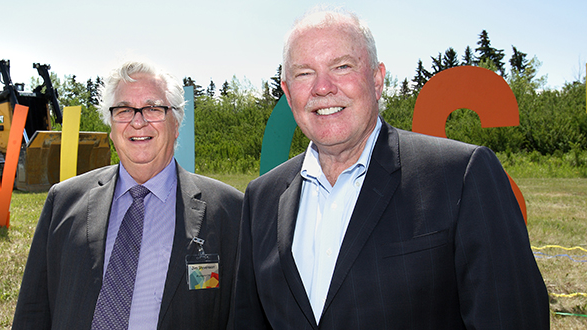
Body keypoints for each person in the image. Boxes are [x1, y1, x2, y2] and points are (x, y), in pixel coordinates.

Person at [233, 7, 549, 329]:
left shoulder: (461, 176)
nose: (323, 87)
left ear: (377, 79)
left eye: (342, 66)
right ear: (287, 92)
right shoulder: (262, 198)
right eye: (304, 73)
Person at [12, 60, 242, 329]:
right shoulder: (63, 201)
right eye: (123, 110)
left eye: (153, 108)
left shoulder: (230, 211)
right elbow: (33, 311)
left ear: (176, 123)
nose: (137, 121)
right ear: (111, 126)